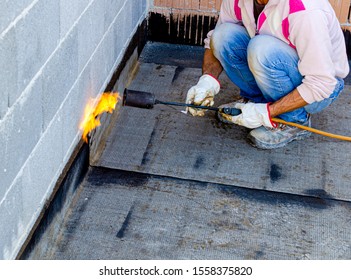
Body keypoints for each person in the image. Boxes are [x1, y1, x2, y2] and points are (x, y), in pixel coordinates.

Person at [185, 0, 349, 149]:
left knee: (262, 49)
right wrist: (207, 80)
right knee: (222, 36)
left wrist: (266, 113)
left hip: (321, 90)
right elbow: (214, 40)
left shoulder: (305, 11)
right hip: (282, 65)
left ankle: (293, 121)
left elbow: (322, 82)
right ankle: (255, 101)